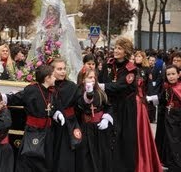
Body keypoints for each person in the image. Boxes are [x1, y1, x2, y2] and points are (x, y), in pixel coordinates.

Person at [2, 65, 65, 172]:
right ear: (47, 78)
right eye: (53, 76)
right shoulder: (31, 90)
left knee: (46, 161)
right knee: (29, 160)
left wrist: (57, 114)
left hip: (48, 132)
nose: (55, 78)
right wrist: (0, 97)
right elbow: (15, 98)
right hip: (33, 131)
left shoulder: (51, 91)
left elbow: (50, 108)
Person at [98, 37, 137, 171]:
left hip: (125, 107)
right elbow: (100, 78)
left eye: (119, 48)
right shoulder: (107, 64)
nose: (116, 50)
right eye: (115, 47)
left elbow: (121, 86)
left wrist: (103, 86)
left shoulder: (131, 69)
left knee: (124, 136)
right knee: (108, 135)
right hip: (109, 103)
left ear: (126, 51)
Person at [27, 0, 82, 82]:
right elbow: (41, 31)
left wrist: (58, 32)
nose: (51, 12)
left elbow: (63, 32)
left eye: (53, 10)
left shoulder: (60, 23)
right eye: (49, 10)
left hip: (55, 47)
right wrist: (43, 32)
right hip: (45, 46)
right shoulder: (44, 22)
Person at [51, 58, 92, 172]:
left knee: (65, 158)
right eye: (59, 69)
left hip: (68, 125)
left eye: (64, 69)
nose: (63, 71)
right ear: (52, 70)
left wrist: (87, 97)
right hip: (51, 125)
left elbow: (80, 103)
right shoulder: (49, 85)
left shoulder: (71, 86)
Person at [76, 68, 113, 172]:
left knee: (101, 154)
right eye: (89, 77)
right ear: (83, 79)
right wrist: (88, 94)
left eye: (94, 77)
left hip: (100, 128)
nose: (93, 79)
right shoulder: (79, 91)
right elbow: (82, 104)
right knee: (87, 156)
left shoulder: (100, 92)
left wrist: (106, 118)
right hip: (86, 129)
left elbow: (109, 106)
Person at [148, 65, 181, 171]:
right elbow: (162, 98)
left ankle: (177, 165)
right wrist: (149, 98)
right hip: (168, 118)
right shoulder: (167, 86)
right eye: (168, 74)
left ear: (179, 74)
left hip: (177, 118)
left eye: (173, 74)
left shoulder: (179, 87)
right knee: (169, 141)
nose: (171, 76)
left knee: (175, 141)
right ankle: (171, 163)